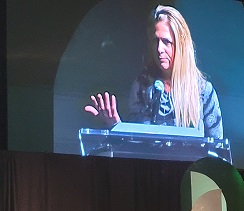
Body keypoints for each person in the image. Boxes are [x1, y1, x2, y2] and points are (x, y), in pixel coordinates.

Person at [84, 5, 223, 139]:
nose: (159, 49)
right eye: (155, 41)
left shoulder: (203, 91)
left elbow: (217, 152)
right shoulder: (142, 85)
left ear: (181, 44)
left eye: (166, 42)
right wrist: (115, 126)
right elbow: (134, 145)